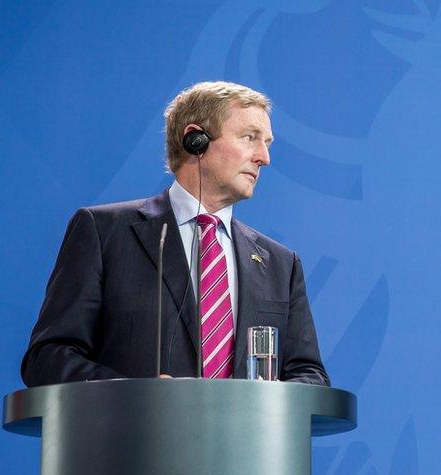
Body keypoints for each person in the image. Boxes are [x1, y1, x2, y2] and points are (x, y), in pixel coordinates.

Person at [22, 81, 329, 386]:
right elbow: (48, 358)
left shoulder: (280, 263)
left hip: (244, 436)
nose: (264, 157)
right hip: (134, 434)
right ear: (196, 140)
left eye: (267, 143)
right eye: (250, 137)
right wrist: (142, 397)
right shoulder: (104, 233)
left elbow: (310, 375)